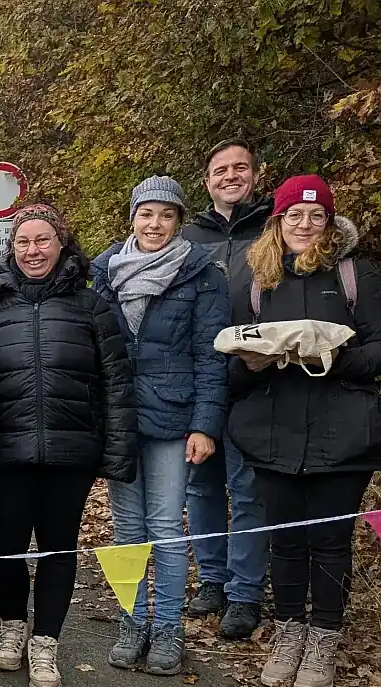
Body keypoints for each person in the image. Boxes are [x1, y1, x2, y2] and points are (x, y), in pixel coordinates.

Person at [228, 175, 381, 687]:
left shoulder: (356, 276)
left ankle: (323, 638)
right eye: (294, 215)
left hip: (345, 434)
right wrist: (255, 362)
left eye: (317, 216)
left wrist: (331, 356)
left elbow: (377, 351)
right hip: (272, 433)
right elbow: (232, 365)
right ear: (278, 221)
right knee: (286, 539)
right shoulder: (253, 281)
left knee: (330, 540)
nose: (305, 225)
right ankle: (289, 630)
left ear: (331, 223)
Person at [0, 204, 136, 687]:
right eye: (23, 241)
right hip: (4, 451)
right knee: (4, 549)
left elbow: (117, 382)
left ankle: (45, 643)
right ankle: (11, 629)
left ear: (62, 244)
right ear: (11, 247)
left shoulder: (92, 306)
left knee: (58, 549)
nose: (33, 250)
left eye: (43, 240)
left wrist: (116, 453)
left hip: (72, 451)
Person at [92, 176, 227, 678]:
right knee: (128, 528)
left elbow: (211, 356)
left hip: (175, 417)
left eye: (166, 215)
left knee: (167, 528)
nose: (155, 224)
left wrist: (205, 424)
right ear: (132, 217)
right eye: (146, 214)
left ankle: (168, 626)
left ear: (178, 220)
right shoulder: (104, 272)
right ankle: (134, 621)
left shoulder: (201, 273)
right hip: (120, 416)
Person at [180, 140, 274, 636]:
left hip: (256, 381)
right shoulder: (190, 235)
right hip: (200, 381)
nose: (230, 176)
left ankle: (244, 592)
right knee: (201, 486)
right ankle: (212, 580)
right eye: (221, 170)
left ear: (255, 175)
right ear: (207, 178)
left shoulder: (275, 229)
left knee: (248, 490)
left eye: (240, 168)